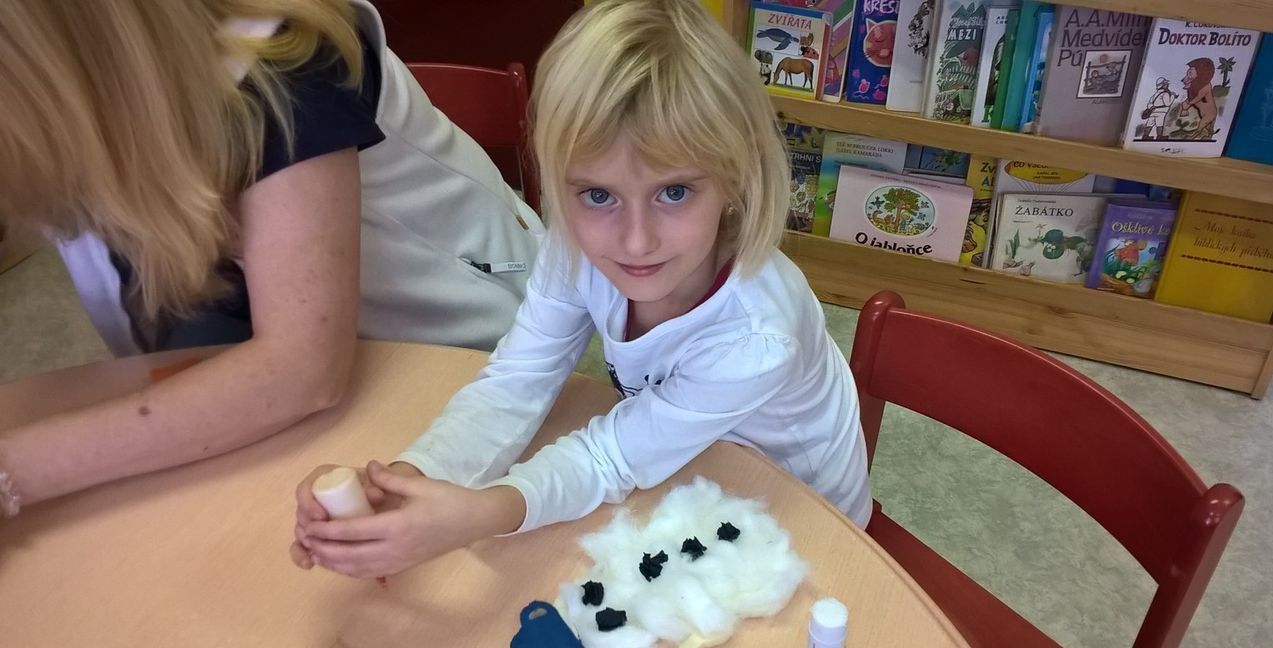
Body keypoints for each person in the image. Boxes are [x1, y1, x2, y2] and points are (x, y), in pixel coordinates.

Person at [290, 0, 872, 579]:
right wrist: (410, 481)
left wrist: (479, 514)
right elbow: (518, 379)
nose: (635, 242)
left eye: (674, 192)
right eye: (598, 195)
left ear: (736, 178)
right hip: (679, 468)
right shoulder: (575, 247)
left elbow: (610, 456)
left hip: (803, 518)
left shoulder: (757, 337)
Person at [0, 0, 538, 516]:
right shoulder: (88, 101)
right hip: (271, 373)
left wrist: (16, 470)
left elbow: (299, 371)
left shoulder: (282, 67)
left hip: (474, 363)